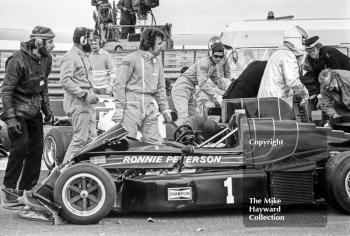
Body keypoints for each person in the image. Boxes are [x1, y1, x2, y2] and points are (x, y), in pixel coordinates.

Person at [1, 26, 55, 204]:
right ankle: (9, 189)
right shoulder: (16, 60)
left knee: (37, 149)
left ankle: (26, 189)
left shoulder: (47, 59)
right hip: (17, 111)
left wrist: (47, 109)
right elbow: (6, 90)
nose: (53, 46)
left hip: (34, 110)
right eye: (50, 42)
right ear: (39, 43)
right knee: (21, 146)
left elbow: (43, 86)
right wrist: (10, 118)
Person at [112, 27, 172, 145]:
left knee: (155, 143)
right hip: (131, 107)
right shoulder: (131, 59)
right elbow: (119, 83)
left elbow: (160, 89)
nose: (162, 46)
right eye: (159, 43)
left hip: (149, 107)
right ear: (150, 43)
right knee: (127, 143)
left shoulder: (158, 62)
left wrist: (165, 109)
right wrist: (119, 107)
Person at [171, 36, 231, 125]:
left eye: (220, 57)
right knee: (184, 117)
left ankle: (190, 137)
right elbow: (202, 84)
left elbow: (218, 81)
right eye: (216, 56)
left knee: (193, 118)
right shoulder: (204, 63)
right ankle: (180, 137)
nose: (218, 59)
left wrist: (230, 87)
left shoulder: (213, 65)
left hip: (190, 89)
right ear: (211, 54)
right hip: (182, 88)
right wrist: (215, 96)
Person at [60, 27, 99, 162]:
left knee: (91, 140)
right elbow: (65, 81)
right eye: (90, 39)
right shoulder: (70, 57)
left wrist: (91, 94)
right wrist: (84, 95)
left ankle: (85, 171)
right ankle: (63, 172)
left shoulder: (83, 56)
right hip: (78, 103)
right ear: (82, 40)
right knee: (80, 139)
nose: (92, 42)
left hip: (86, 103)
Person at [257, 25, 309, 107]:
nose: (304, 44)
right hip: (277, 100)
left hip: (266, 98)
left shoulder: (278, 53)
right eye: (303, 41)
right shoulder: (288, 55)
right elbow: (292, 82)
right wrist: (305, 93)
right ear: (297, 40)